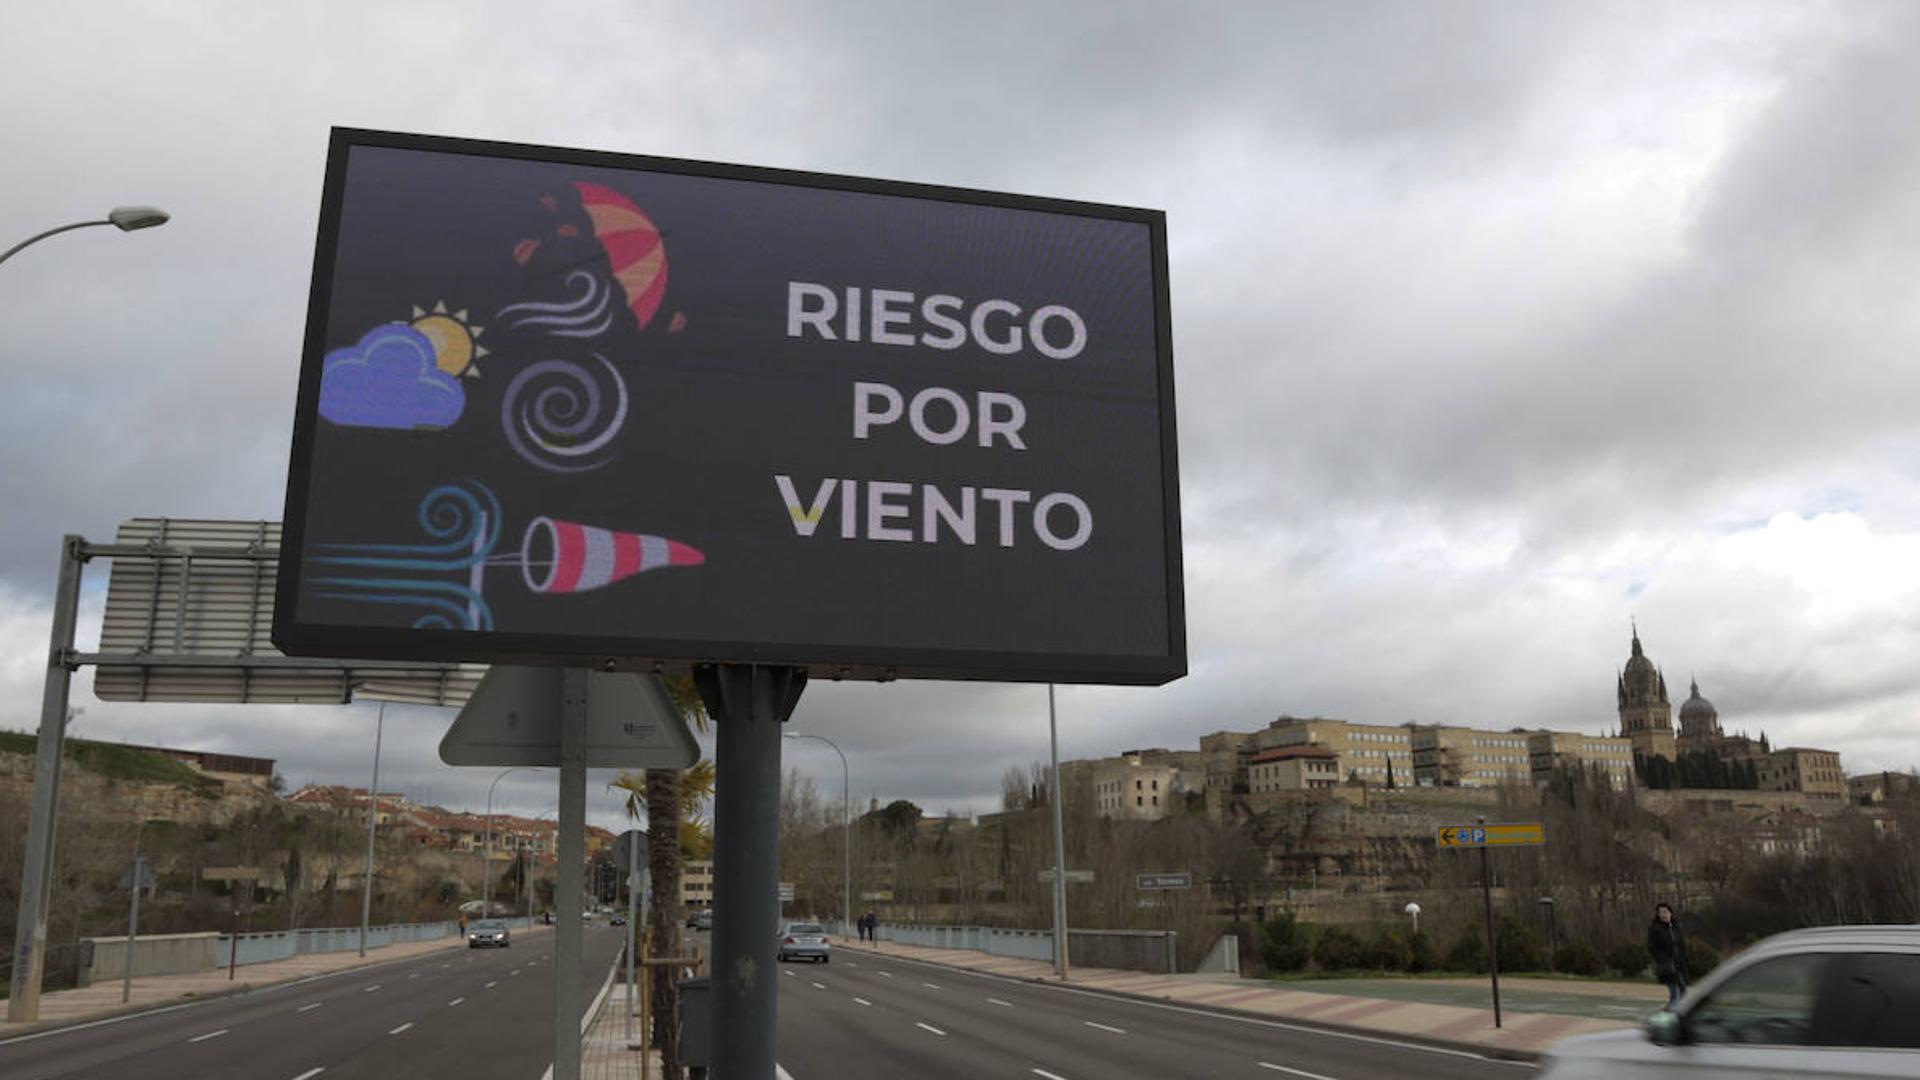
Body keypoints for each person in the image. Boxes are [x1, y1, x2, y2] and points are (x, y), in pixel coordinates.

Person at [1646, 902, 1689, 1008]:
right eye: (1660, 912)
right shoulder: (1655, 929)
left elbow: (1681, 945)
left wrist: (1684, 959)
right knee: (1675, 994)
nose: (1663, 914)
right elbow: (1652, 948)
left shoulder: (1675, 928)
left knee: (1684, 993)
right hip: (1667, 967)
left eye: (1665, 912)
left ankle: (1672, 1014)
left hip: (1679, 965)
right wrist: (1662, 959)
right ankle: (1669, 1018)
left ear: (1671, 913)